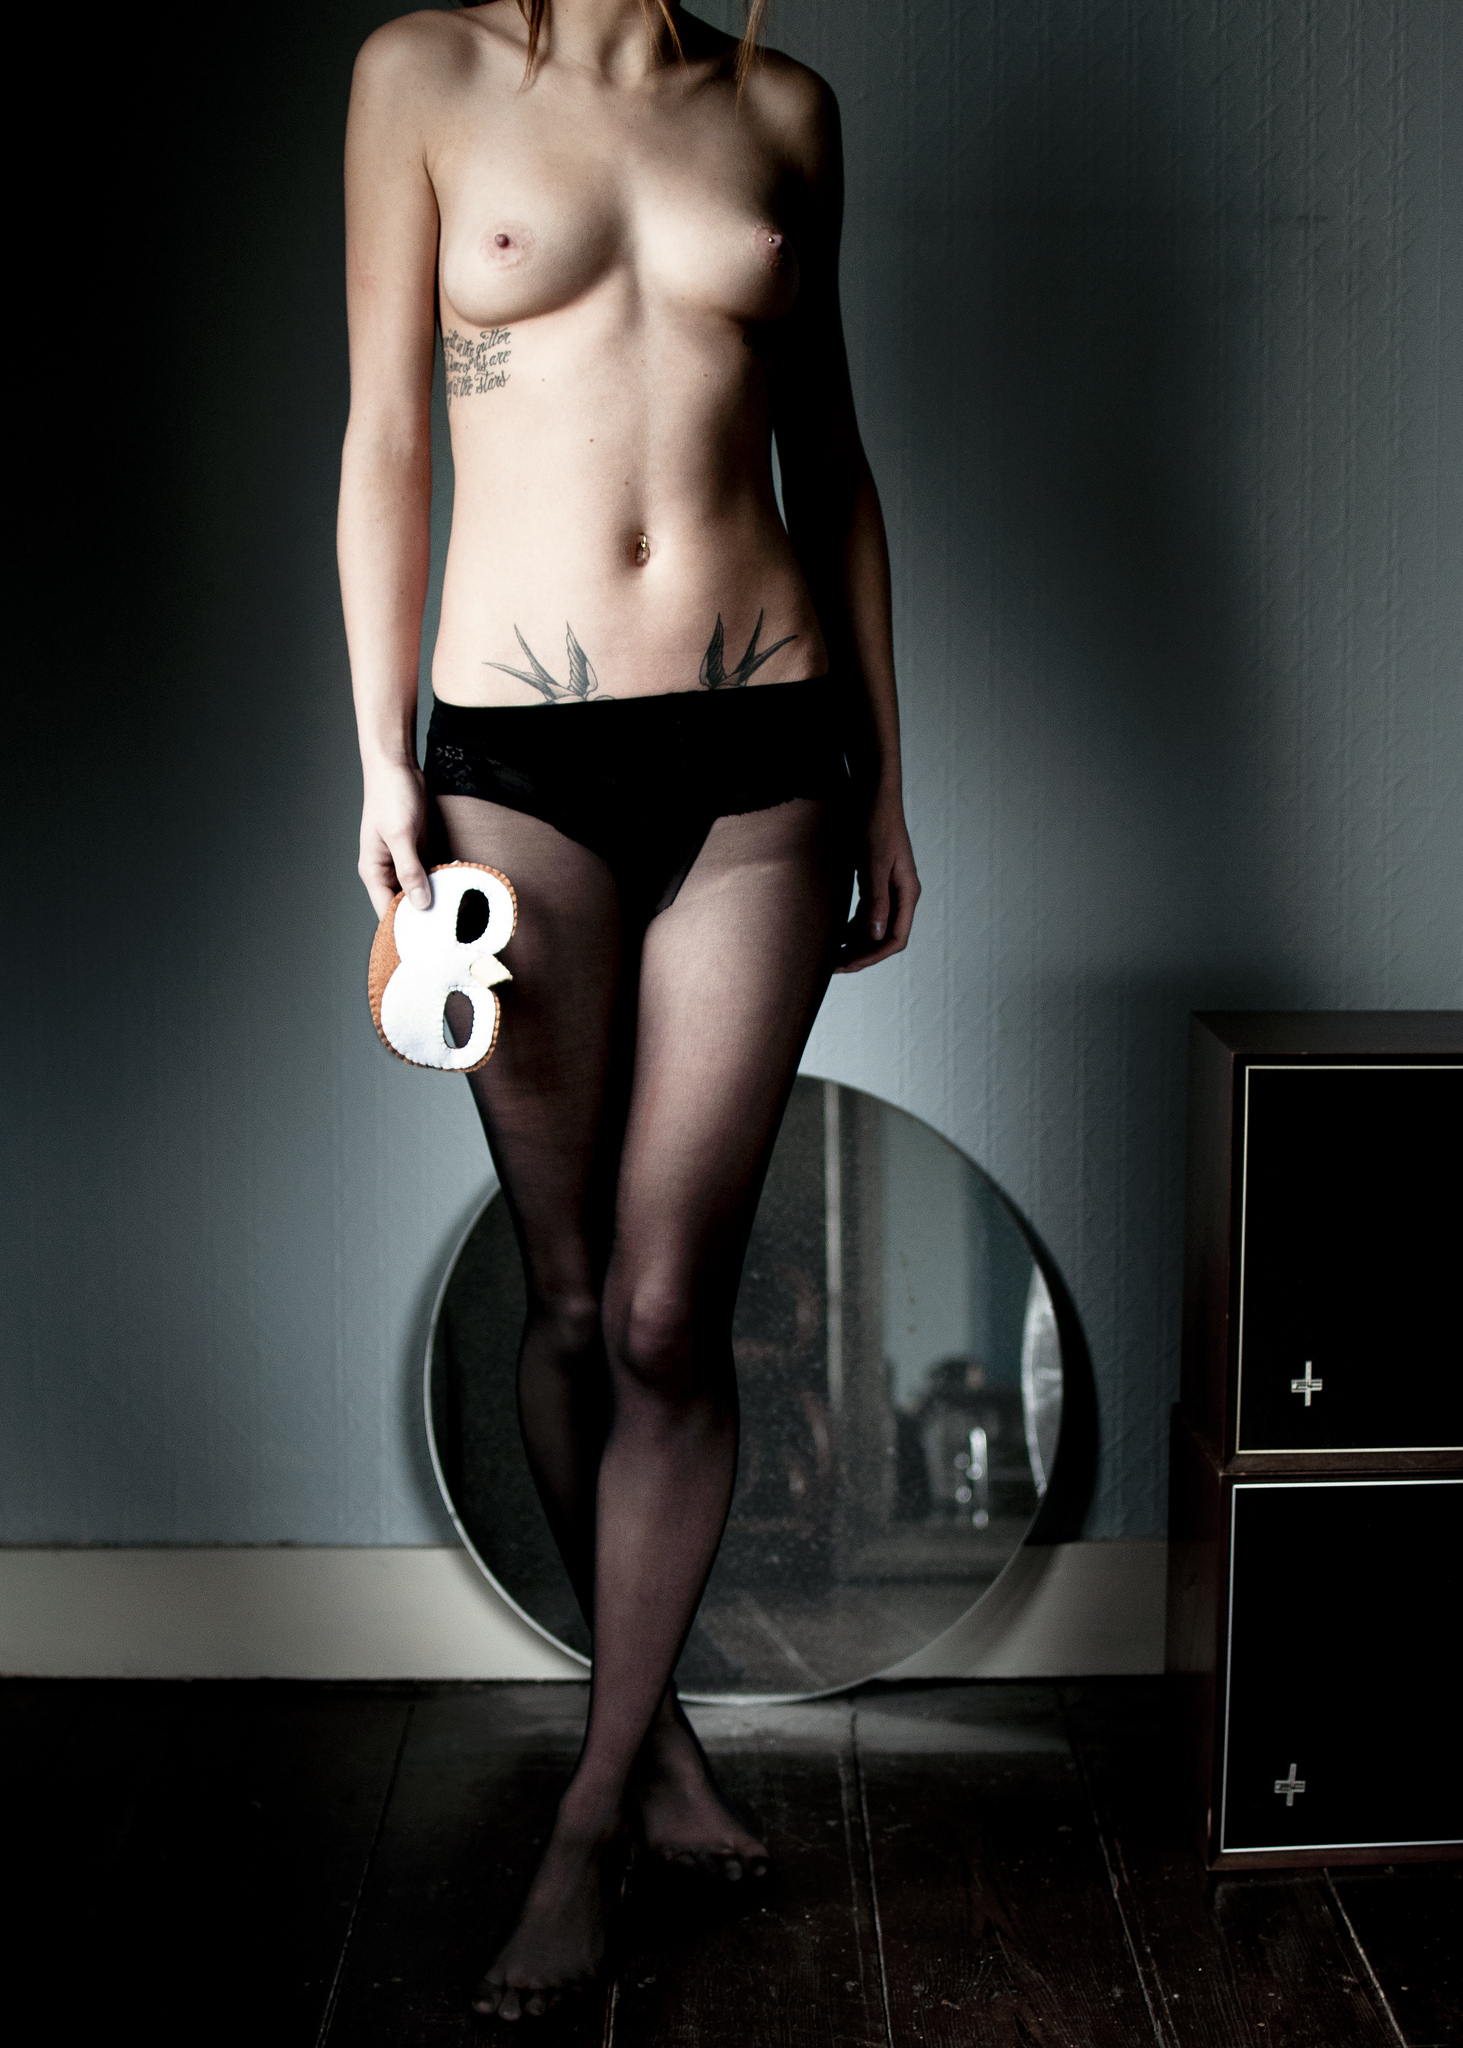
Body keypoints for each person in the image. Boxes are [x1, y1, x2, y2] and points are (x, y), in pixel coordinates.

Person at [338, 0, 919, 2019]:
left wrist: (890, 782)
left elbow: (834, 456)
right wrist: (379, 763)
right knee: (577, 1300)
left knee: (677, 1311)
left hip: (769, 751)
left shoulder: (782, 106)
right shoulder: (419, 80)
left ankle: (590, 1816)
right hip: (515, 757)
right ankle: (649, 1731)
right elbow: (386, 432)